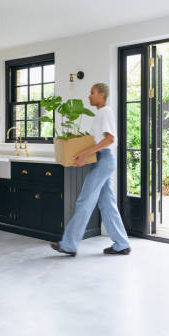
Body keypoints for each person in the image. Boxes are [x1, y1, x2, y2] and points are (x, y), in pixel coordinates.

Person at [50, 83, 131, 256]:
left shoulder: (105, 112)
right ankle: (122, 244)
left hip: (104, 160)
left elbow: (110, 139)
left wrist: (85, 154)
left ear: (102, 95)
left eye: (92, 93)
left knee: (84, 201)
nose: (89, 96)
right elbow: (100, 141)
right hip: (102, 160)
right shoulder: (101, 114)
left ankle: (69, 244)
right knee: (107, 204)